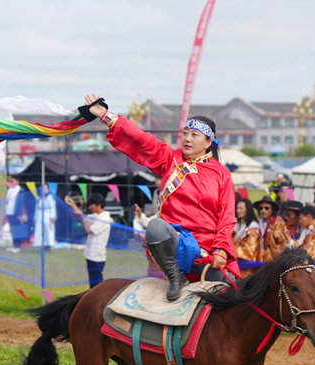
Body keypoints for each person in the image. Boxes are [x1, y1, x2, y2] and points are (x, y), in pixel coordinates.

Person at [83, 94, 239, 301]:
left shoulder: (222, 174)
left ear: (209, 142)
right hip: (174, 245)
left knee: (234, 302)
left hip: (208, 252)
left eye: (194, 135)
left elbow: (227, 217)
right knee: (155, 226)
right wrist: (106, 116)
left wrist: (220, 250)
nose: (187, 138)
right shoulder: (170, 159)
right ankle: (176, 278)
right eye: (185, 133)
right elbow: (141, 139)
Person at [66, 193, 111, 289]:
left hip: (97, 256)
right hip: (90, 254)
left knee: (97, 285)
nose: (90, 207)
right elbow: (83, 217)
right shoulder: (96, 215)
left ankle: (99, 298)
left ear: (99, 205)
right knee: (92, 284)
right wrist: (73, 205)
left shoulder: (104, 217)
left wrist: (84, 220)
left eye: (91, 205)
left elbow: (88, 230)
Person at [233, 198, 261, 276]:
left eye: (241, 208)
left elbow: (251, 251)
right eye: (237, 208)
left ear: (248, 209)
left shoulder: (253, 227)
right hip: (238, 262)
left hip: (247, 267)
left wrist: (232, 249)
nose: (238, 210)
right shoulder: (240, 224)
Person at [254, 195, 287, 262]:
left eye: (266, 208)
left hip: (273, 258)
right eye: (261, 208)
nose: (263, 210)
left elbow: (282, 243)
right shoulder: (260, 222)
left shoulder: (278, 222)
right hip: (261, 256)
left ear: (272, 209)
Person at [4, 177, 29, 253]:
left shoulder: (20, 190)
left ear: (17, 182)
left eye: (13, 181)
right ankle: (14, 244)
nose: (11, 182)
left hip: (16, 213)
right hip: (10, 212)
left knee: (17, 229)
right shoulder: (10, 189)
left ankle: (18, 245)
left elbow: (20, 202)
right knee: (13, 229)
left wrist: (19, 213)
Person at [33, 184, 57, 249]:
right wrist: (35, 218)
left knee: (47, 230)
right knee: (39, 230)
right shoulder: (39, 197)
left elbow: (52, 208)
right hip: (39, 215)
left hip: (47, 215)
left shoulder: (50, 197)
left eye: (45, 188)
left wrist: (52, 218)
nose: (44, 190)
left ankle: (48, 245)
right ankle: (39, 244)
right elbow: (36, 208)